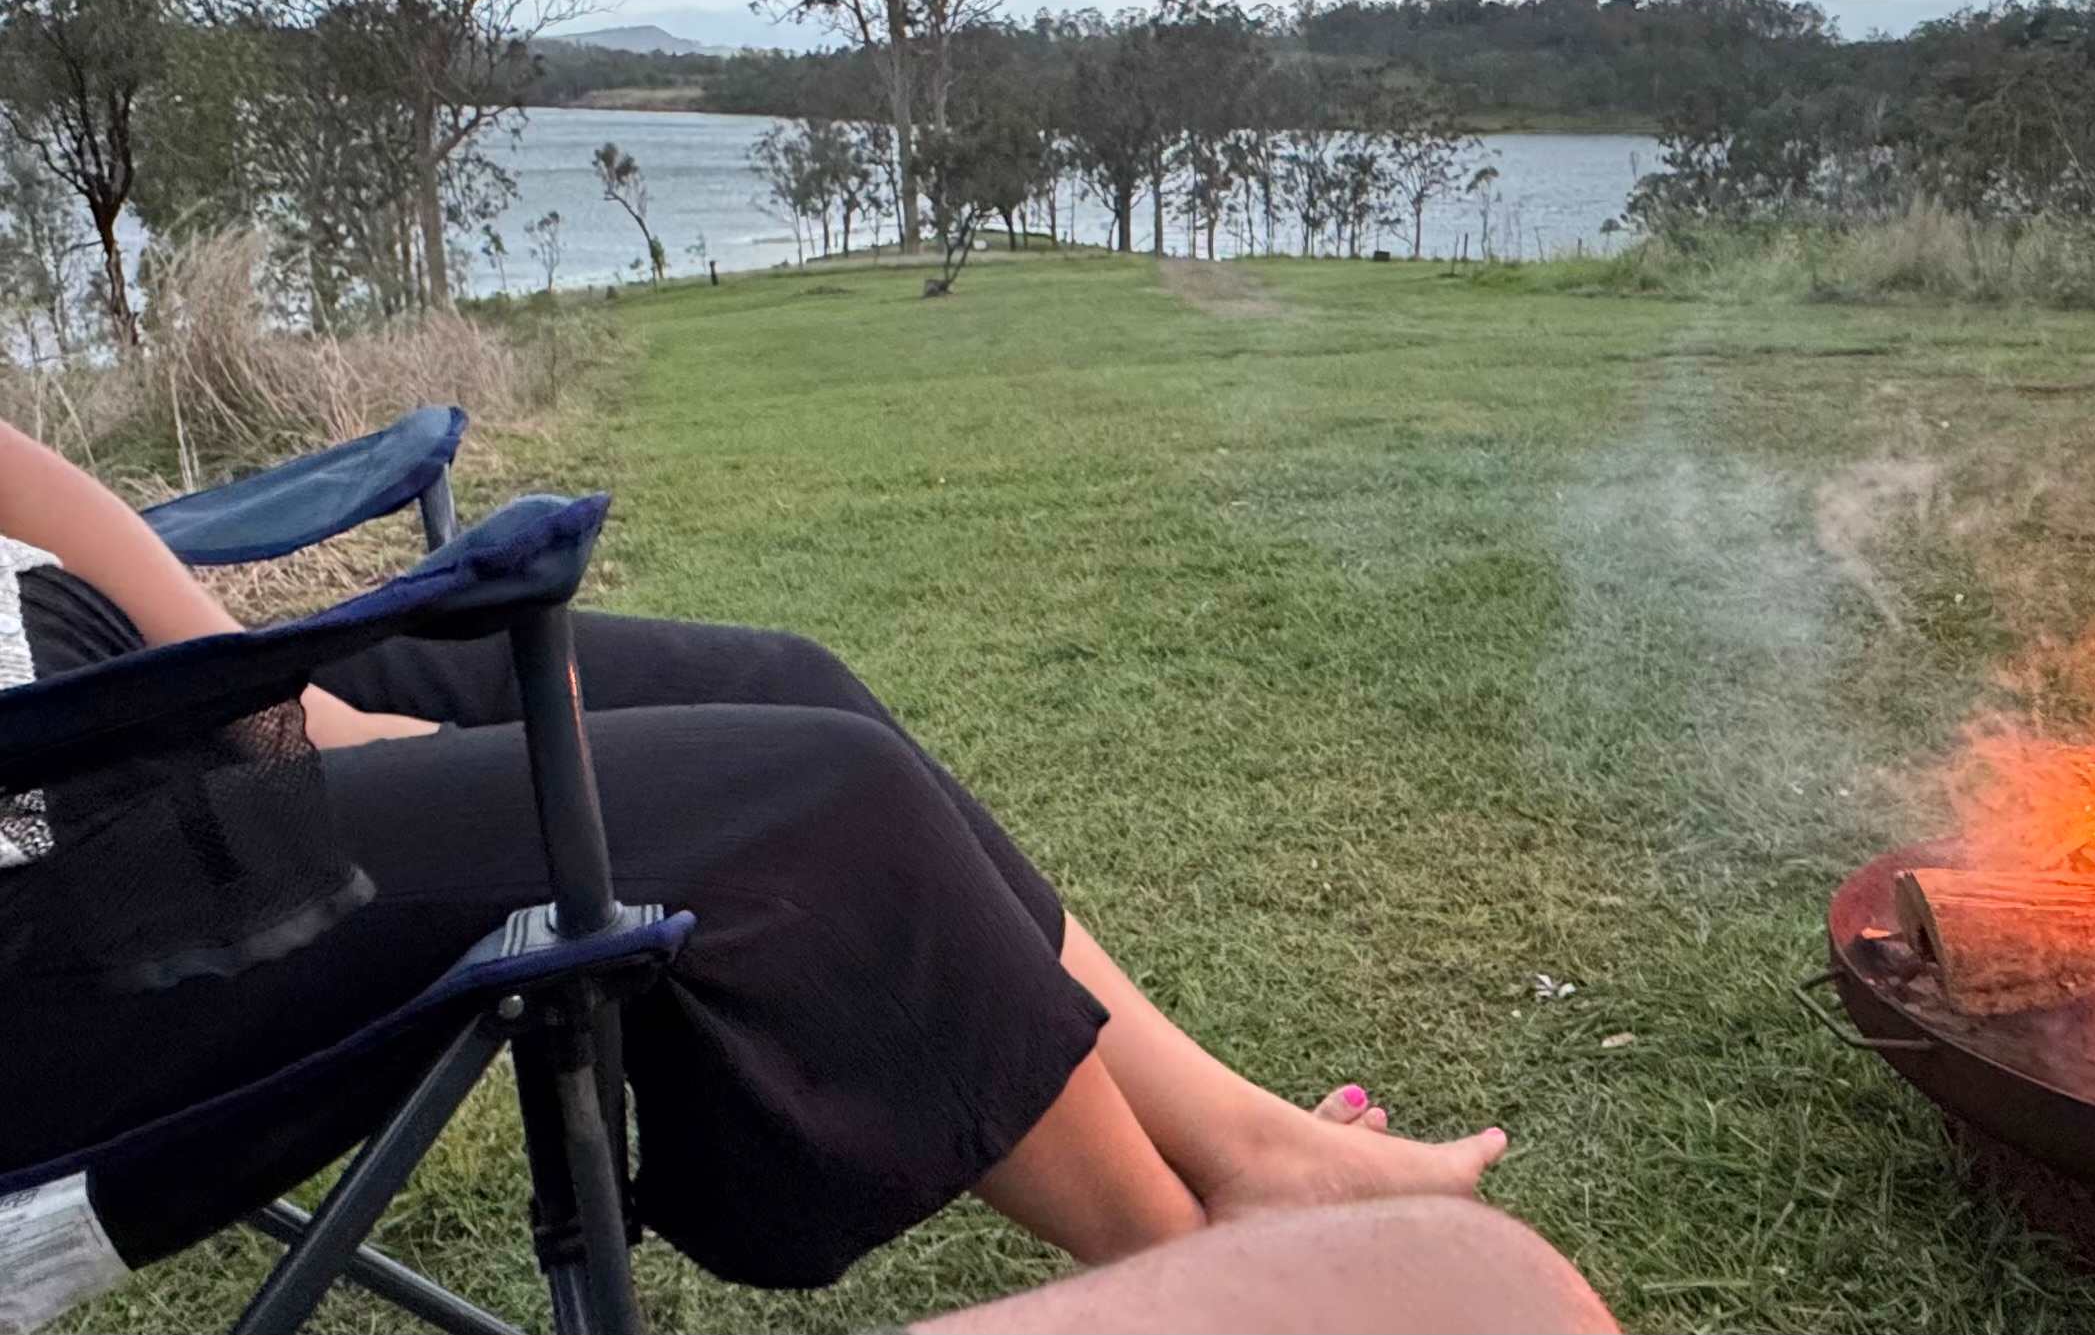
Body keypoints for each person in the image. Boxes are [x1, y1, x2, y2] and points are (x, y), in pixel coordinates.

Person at [0, 420, 1575, 1317]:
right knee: (812, 806)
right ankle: (1193, 1278)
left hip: (110, 691)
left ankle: (1249, 1150)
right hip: (51, 903)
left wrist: (270, 691)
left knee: (785, 679)